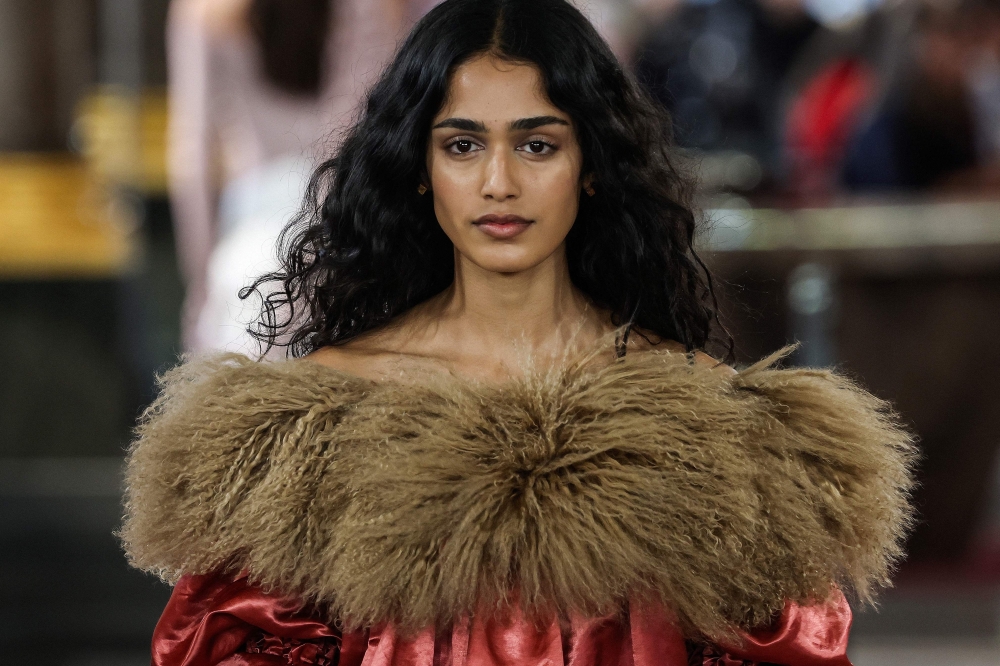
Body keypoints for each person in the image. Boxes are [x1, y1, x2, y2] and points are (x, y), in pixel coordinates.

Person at [124, 1, 916, 664]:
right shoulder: (308, 426)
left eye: (538, 144)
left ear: (592, 164)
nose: (499, 182)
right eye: (463, 145)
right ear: (420, 167)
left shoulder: (714, 432)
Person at [167, 0, 408, 354]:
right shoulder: (371, 7)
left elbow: (193, 158)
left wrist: (200, 290)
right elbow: (374, 130)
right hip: (344, 236)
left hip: (249, 243)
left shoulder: (205, 12)